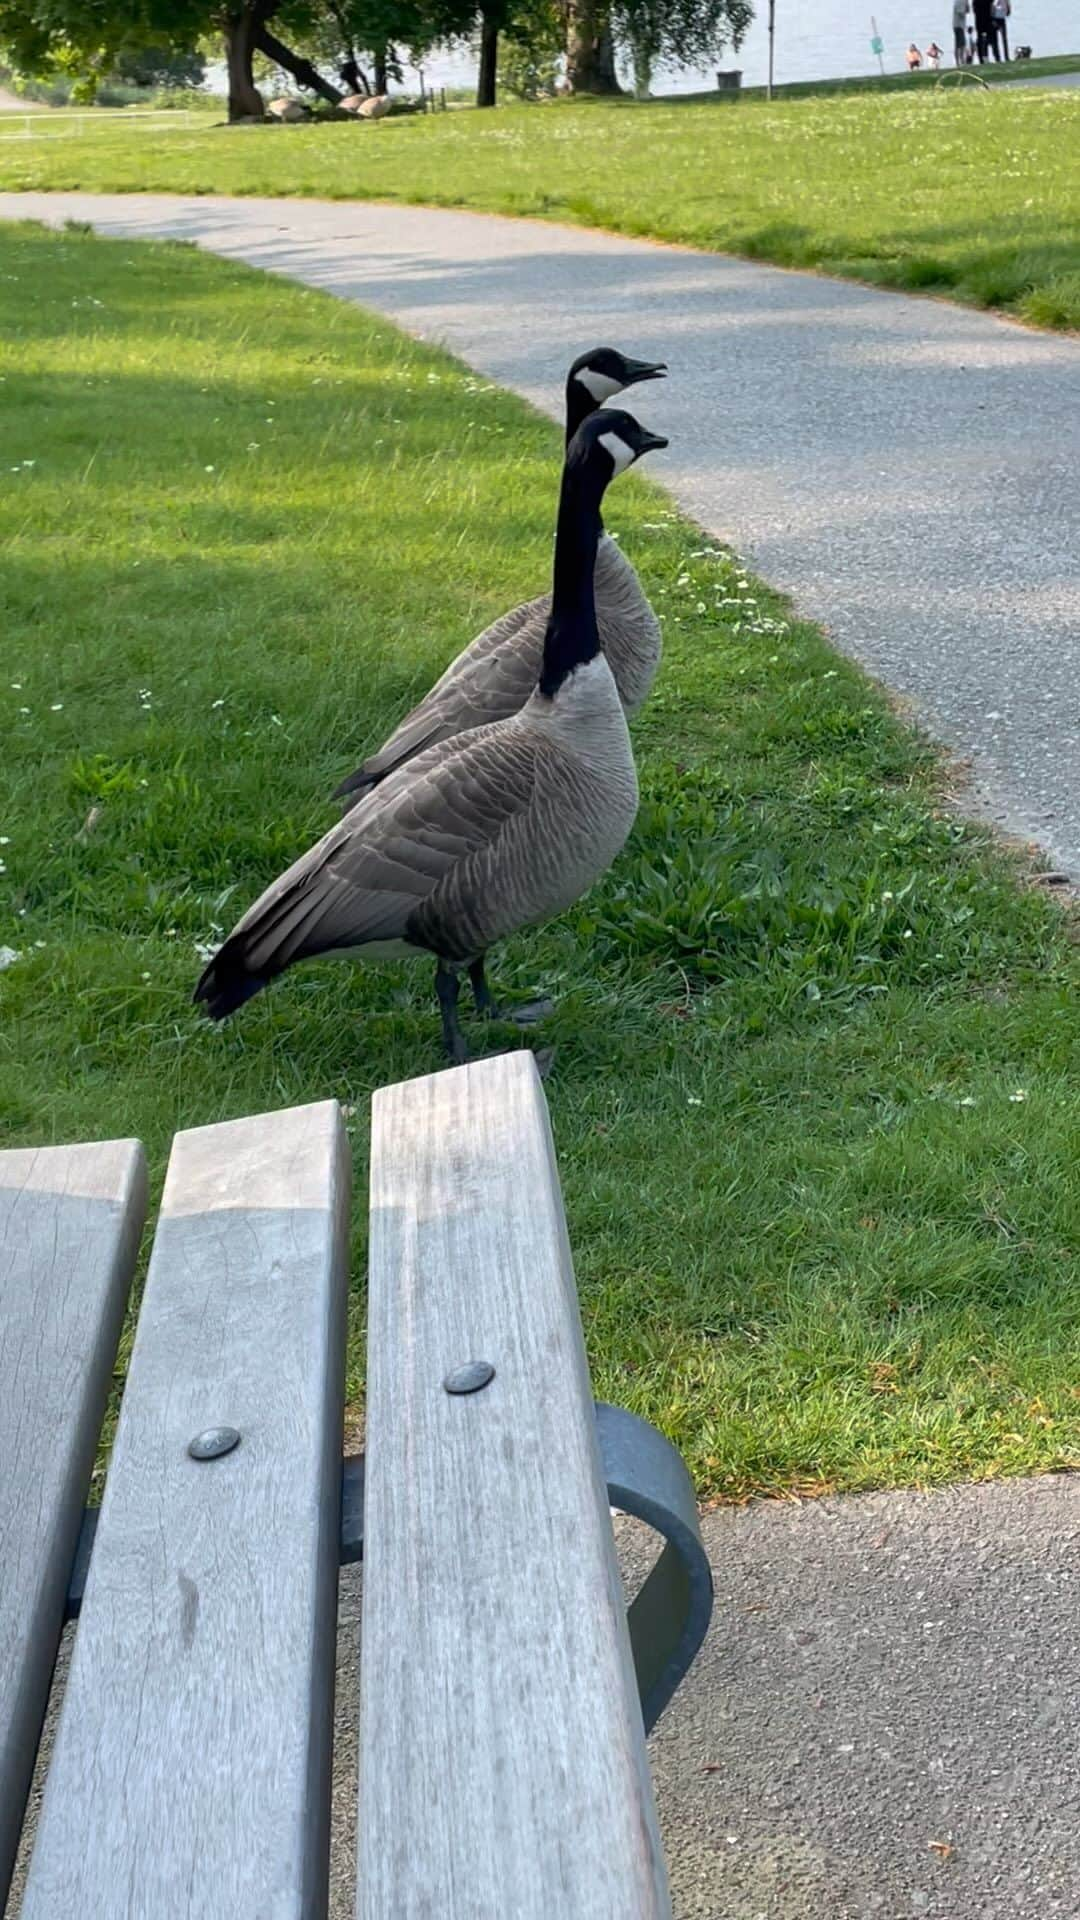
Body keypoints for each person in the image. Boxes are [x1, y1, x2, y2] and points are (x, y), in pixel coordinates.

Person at [952, 0, 968, 65]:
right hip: (958, 25)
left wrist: (967, 5)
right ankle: (959, 61)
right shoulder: (959, 1)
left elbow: (967, 11)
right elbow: (961, 13)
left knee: (962, 44)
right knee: (959, 44)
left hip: (960, 25)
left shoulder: (963, 2)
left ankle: (961, 60)